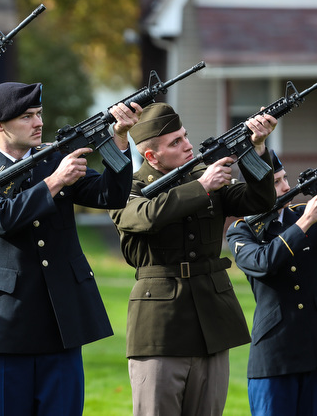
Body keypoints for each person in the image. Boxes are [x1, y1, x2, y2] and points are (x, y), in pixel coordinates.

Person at [0, 82, 139, 415]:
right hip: (9, 325)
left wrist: (119, 140)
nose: (38, 122)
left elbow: (109, 195)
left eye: (39, 114)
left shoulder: (52, 157)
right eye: (27, 116)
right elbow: (3, 218)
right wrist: (56, 180)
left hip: (62, 320)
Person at [108, 102, 278, 416]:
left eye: (184, 136)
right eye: (175, 142)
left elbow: (261, 200)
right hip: (160, 330)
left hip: (212, 323)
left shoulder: (206, 176)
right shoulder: (126, 188)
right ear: (151, 156)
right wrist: (201, 186)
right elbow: (146, 216)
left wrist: (256, 148)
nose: (187, 145)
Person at [226, 148, 317, 416]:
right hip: (275, 353)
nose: (286, 186)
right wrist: (304, 223)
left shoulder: (302, 213)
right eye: (275, 182)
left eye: (284, 178)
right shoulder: (241, 230)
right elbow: (262, 263)